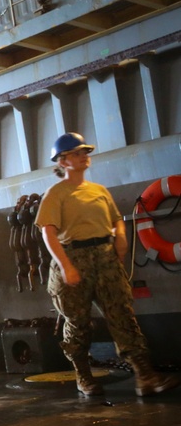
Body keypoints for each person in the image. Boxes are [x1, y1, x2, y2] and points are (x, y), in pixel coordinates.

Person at [35, 132, 180, 398]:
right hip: (73, 257)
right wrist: (66, 266)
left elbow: (116, 220)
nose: (84, 157)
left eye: (85, 152)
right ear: (63, 161)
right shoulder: (55, 194)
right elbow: (48, 233)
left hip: (105, 258)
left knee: (122, 315)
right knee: (78, 323)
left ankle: (145, 377)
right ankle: (83, 375)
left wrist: (121, 239)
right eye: (77, 153)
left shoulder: (99, 191)